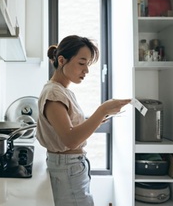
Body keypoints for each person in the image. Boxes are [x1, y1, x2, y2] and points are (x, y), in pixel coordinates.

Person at [36, 35, 130, 206]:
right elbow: (70, 140)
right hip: (67, 168)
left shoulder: (61, 91)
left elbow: (70, 129)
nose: (86, 70)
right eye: (81, 63)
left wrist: (97, 119)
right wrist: (102, 110)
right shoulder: (54, 93)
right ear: (62, 60)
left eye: (87, 64)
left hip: (69, 167)